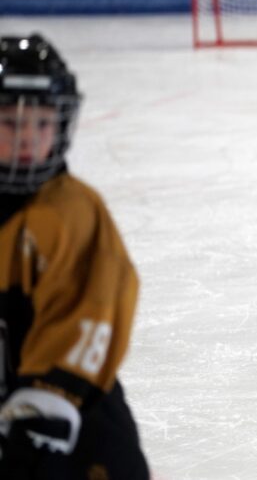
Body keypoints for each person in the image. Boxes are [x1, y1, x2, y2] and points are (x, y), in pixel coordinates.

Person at [0, 34, 149, 478]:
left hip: (75, 422)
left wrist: (42, 417)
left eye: (42, 122)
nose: (28, 137)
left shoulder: (72, 213)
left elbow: (90, 313)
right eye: (9, 123)